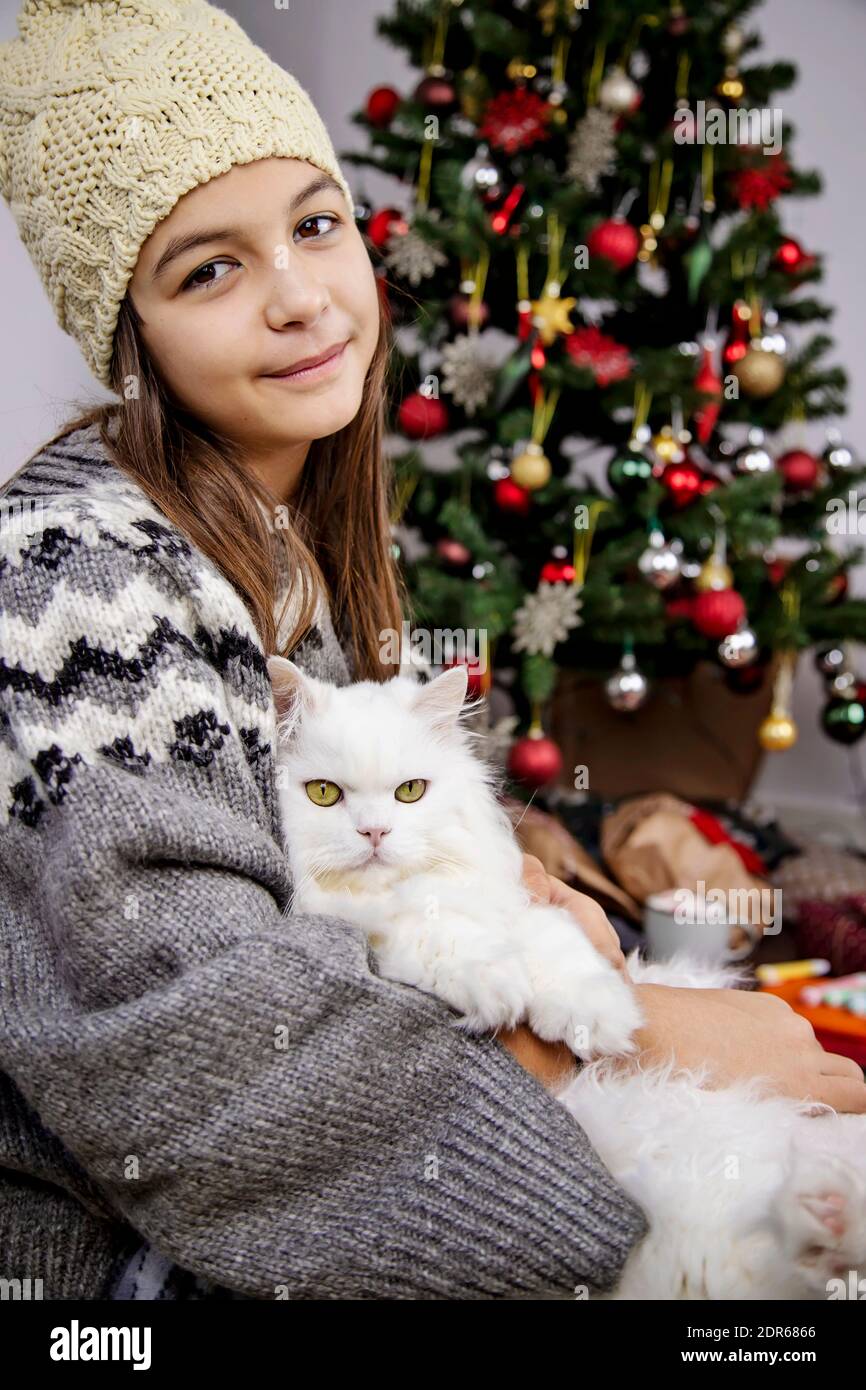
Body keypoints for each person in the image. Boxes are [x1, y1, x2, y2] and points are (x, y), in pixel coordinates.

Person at [0, 0, 862, 1304]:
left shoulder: (290, 530)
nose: (299, 297)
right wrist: (616, 1047)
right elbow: (206, 1043)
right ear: (128, 333)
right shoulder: (75, 575)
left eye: (315, 222)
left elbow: (357, 800)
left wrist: (559, 846)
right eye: (208, 269)